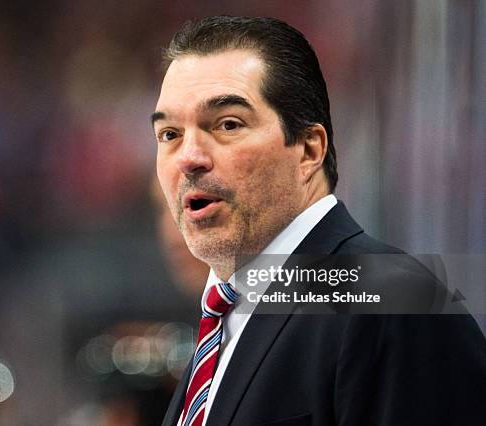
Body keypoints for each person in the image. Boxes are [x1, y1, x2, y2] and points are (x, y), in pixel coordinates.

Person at [151, 16, 486, 426]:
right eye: (169, 134)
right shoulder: (228, 319)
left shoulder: (394, 301)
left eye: (228, 125)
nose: (188, 157)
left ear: (309, 149)